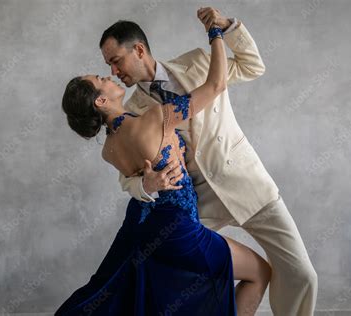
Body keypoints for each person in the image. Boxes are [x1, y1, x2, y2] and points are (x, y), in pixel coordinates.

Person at [99, 7, 317, 316]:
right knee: (169, 277)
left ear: (139, 50)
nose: (113, 72)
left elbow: (252, 66)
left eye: (116, 61)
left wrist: (227, 26)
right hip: (196, 204)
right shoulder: (131, 110)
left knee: (302, 274)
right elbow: (126, 177)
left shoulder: (197, 61)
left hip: (247, 184)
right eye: (107, 66)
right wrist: (145, 185)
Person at [55, 14, 271, 316]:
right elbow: (216, 84)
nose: (109, 76)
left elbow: (135, 183)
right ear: (101, 102)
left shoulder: (109, 149)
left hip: (142, 226)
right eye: (101, 79)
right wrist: (215, 35)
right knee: (261, 272)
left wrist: (146, 184)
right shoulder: (155, 119)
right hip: (180, 228)